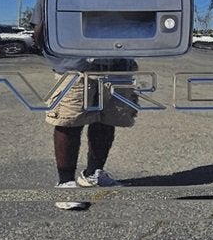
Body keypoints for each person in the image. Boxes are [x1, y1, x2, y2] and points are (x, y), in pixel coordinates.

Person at [33, 19, 138, 210]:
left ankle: (92, 174)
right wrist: (62, 60)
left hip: (118, 68)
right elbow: (40, 31)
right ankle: (65, 183)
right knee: (69, 121)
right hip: (76, 68)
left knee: (107, 121)